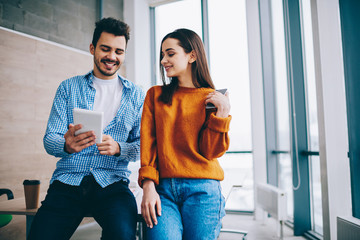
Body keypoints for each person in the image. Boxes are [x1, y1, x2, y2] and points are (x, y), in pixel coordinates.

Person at [28, 17, 145, 240]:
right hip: (68, 181)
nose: (112, 56)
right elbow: (49, 138)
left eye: (119, 51)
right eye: (105, 49)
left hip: (112, 182)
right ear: (92, 48)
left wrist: (119, 148)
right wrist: (66, 145)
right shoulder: (68, 88)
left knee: (123, 235)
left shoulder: (136, 96)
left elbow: (142, 145)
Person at [138, 28, 231, 240]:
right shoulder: (155, 95)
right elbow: (148, 145)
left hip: (204, 190)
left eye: (170, 54)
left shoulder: (213, 98)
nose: (164, 60)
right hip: (163, 190)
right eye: (162, 55)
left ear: (192, 55)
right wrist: (148, 186)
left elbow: (211, 152)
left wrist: (222, 115)